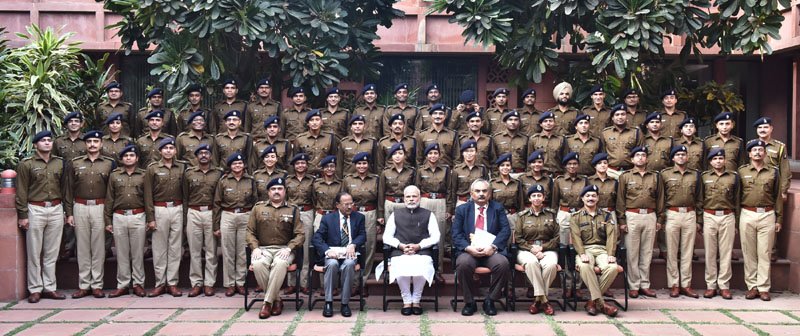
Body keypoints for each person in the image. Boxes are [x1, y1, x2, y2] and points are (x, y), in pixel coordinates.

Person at [16, 131, 68, 303]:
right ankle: (35, 289)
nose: (46, 143)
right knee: (34, 252)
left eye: (49, 140)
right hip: (35, 209)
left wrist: (66, 211)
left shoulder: (60, 163)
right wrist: (23, 215)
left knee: (51, 253)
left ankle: (50, 287)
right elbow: (22, 191)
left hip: (55, 208)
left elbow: (65, 189)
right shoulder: (26, 164)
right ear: (35, 144)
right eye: (43, 140)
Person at [65, 130, 115, 298]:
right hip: (80, 206)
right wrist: (69, 213)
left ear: (101, 144)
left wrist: (110, 214)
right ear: (85, 144)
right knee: (83, 247)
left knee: (99, 247)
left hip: (101, 207)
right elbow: (69, 189)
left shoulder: (109, 163)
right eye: (89, 141)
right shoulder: (75, 163)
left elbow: (112, 191)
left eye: (96, 141)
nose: (92, 144)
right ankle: (84, 284)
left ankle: (97, 285)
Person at [246, 177, 305, 319]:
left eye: (280, 189)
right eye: (273, 189)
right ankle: (276, 300)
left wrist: (289, 248)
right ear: (268, 192)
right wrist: (255, 248)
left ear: (285, 191)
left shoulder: (293, 209)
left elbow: (300, 234)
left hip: (284, 249)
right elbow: (249, 232)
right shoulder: (258, 208)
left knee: (280, 263)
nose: (276, 192)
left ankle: (267, 303)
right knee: (258, 264)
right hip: (263, 248)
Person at [452, 179, 511, 316]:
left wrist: (493, 246)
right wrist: (468, 248)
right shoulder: (462, 210)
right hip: (470, 251)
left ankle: (490, 300)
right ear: (471, 193)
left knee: (503, 264)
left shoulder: (497, 208)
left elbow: (505, 231)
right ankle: (469, 302)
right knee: (463, 263)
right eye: (477, 191)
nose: (481, 194)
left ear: (490, 193)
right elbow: (456, 234)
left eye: (484, 191)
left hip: (491, 251)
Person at [383, 185, 440, 315]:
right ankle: (407, 300)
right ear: (404, 198)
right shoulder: (395, 215)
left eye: (414, 196)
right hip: (400, 251)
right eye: (408, 196)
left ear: (419, 198)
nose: (411, 199)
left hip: (422, 251)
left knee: (422, 267)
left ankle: (416, 300)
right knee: (401, 268)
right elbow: (387, 237)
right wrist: (401, 246)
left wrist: (419, 246)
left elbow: (436, 236)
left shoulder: (428, 214)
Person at [738, 140, 782, 301]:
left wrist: (779, 218)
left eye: (760, 150)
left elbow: (777, 196)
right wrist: (737, 219)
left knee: (764, 252)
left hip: (767, 214)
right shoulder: (742, 172)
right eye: (754, 150)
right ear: (749, 154)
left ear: (765, 153)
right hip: (747, 213)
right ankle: (752, 286)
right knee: (749, 252)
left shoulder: (773, 172)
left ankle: (763, 287)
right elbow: (737, 196)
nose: (757, 152)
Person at [617, 146, 663, 298]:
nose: (641, 158)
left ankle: (645, 284)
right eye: (637, 155)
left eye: (643, 155)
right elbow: (621, 200)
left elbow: (660, 198)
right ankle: (634, 285)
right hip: (632, 215)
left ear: (647, 158)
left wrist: (660, 218)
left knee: (647, 252)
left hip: (650, 215)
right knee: (632, 252)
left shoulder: (655, 176)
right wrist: (622, 220)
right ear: (632, 159)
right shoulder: (625, 177)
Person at [143, 137, 187, 297]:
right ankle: (160, 283)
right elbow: (147, 194)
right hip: (159, 209)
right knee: (159, 248)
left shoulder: (182, 167)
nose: (168, 150)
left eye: (171, 148)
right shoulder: (152, 168)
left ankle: (172, 283)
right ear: (160, 151)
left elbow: (186, 193)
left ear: (175, 150)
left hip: (177, 208)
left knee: (175, 248)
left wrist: (185, 216)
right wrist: (150, 218)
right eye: (165, 148)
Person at [313, 192, 365, 317]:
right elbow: (317, 238)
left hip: (349, 254)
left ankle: (345, 303)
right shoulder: (328, 218)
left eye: (351, 203)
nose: (349, 207)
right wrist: (327, 251)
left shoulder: (359, 217)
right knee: (331, 264)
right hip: (333, 254)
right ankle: (328, 302)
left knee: (349, 264)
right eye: (346, 204)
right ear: (337, 205)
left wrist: (353, 244)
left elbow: (363, 235)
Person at [105, 145, 147, 298]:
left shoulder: (143, 175)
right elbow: (109, 198)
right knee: (122, 253)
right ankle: (122, 284)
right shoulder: (115, 176)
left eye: (132, 155)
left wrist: (149, 219)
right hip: (119, 216)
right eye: (126, 156)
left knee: (137, 253)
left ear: (137, 158)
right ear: (121, 159)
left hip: (138, 215)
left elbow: (147, 198)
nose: (129, 158)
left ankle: (138, 284)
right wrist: (108, 220)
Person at [660, 145, 702, 298]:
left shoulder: (695, 175)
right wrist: (662, 218)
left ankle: (686, 284)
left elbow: (699, 198)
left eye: (683, 154)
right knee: (671, 251)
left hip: (690, 213)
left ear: (687, 157)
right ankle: (674, 284)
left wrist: (699, 219)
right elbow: (661, 198)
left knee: (687, 251)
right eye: (677, 155)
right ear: (672, 158)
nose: (681, 157)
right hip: (672, 213)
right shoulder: (665, 174)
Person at [571, 185, 620, 317]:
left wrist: (610, 254)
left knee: (613, 268)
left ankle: (592, 301)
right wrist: (581, 254)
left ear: (598, 198)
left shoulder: (606, 216)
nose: (590, 198)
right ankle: (602, 304)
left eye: (593, 196)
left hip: (603, 250)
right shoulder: (575, 217)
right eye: (587, 196)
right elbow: (575, 238)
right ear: (582, 198)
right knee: (584, 266)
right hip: (585, 249)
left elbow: (611, 236)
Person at [213, 152, 256, 296]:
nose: (237, 166)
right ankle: (230, 284)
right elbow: (217, 203)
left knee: (242, 252)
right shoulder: (224, 181)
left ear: (244, 165)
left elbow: (255, 202)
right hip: (228, 215)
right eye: (234, 164)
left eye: (240, 163)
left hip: (245, 216)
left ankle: (240, 282)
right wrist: (216, 225)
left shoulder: (250, 180)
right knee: (228, 251)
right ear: (230, 166)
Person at [184, 144, 223, 297]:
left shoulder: (218, 173)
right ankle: (196, 283)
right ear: (196, 156)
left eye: (207, 153)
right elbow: (185, 195)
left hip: (211, 212)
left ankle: (209, 283)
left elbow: (219, 198)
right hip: (193, 211)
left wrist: (217, 220)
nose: (204, 155)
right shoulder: (188, 173)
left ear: (211, 156)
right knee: (194, 250)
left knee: (211, 250)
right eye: (200, 153)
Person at [699, 148, 738, 300]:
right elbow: (700, 199)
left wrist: (736, 221)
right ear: (710, 161)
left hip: (728, 216)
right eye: (715, 159)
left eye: (721, 159)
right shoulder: (704, 177)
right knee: (710, 252)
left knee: (726, 252)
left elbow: (737, 199)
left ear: (725, 160)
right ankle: (710, 285)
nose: (718, 161)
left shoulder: (733, 177)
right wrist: (700, 221)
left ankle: (724, 285)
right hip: (709, 215)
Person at [515, 184, 559, 315]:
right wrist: (531, 249)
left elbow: (557, 237)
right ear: (529, 199)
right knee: (531, 263)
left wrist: (543, 248)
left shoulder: (551, 215)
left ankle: (537, 300)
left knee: (551, 265)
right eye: (533, 196)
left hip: (547, 248)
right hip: (526, 249)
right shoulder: (522, 216)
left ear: (544, 197)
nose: (536, 198)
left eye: (539, 195)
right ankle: (544, 301)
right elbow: (518, 238)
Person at [342, 152, 381, 293]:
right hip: (352, 214)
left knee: (369, 247)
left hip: (370, 213)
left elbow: (380, 198)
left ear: (369, 164)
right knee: (352, 244)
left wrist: (379, 219)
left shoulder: (376, 179)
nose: (362, 166)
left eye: (364, 163)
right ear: (354, 165)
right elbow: (343, 199)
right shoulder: (347, 179)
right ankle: (352, 282)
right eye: (359, 163)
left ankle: (363, 282)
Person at [415, 143, 452, 283]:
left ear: (439, 155)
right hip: (424, 201)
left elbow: (449, 190)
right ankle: (423, 268)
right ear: (426, 155)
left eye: (435, 153)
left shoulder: (445, 170)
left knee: (439, 237)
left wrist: (449, 209)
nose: (433, 156)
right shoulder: (420, 170)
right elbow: (417, 189)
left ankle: (438, 269)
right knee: (422, 235)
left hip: (440, 202)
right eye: (430, 153)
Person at [54, 112, 86, 260]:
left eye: (76, 121)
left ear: (81, 124)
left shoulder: (87, 140)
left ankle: (81, 247)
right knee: (68, 210)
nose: (73, 123)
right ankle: (68, 247)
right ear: (66, 124)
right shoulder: (59, 142)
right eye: (70, 121)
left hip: (82, 180)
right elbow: (53, 160)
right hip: (62, 179)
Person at [285, 153, 316, 294]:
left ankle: (304, 283)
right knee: (290, 247)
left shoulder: (313, 181)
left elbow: (316, 199)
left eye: (303, 163)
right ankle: (291, 283)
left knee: (305, 248)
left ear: (307, 165)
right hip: (290, 213)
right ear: (294, 166)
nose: (301, 166)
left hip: (307, 212)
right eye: (298, 163)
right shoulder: (287, 180)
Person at [602, 104, 643, 179]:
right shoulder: (606, 133)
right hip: (611, 171)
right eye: (617, 115)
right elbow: (602, 153)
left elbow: (640, 152)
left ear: (627, 116)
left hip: (631, 170)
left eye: (623, 114)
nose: (620, 117)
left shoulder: (636, 132)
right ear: (612, 118)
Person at [379, 143, 416, 225]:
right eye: (394, 154)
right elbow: (381, 194)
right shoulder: (385, 172)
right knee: (390, 232)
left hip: (405, 204)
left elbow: (415, 191)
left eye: (400, 153)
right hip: (390, 205)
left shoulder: (411, 171)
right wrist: (380, 214)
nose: (397, 156)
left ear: (405, 155)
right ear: (391, 156)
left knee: (406, 230)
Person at [293, 109, 336, 177]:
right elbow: (296, 160)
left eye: (317, 120)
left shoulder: (330, 137)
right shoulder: (300, 139)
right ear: (308, 123)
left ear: (321, 122)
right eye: (311, 120)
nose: (314, 122)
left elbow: (334, 157)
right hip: (306, 176)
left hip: (325, 176)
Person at [416, 103, 458, 168]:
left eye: (441, 114)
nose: (438, 116)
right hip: (427, 173)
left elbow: (457, 158)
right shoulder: (422, 135)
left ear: (445, 116)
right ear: (431, 116)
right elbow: (419, 158)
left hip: (447, 172)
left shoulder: (452, 134)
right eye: (435, 113)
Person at [490, 153, 524, 225]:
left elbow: (521, 204)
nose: (505, 167)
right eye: (502, 165)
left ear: (511, 167)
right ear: (498, 167)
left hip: (513, 216)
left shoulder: (517, 183)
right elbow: (489, 203)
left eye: (508, 165)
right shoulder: (492, 183)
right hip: (497, 216)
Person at [493, 111, 529, 177]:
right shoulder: (497, 138)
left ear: (519, 122)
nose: (513, 122)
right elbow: (493, 158)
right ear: (505, 123)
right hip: (501, 174)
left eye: (516, 120)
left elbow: (528, 158)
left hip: (520, 174)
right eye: (510, 120)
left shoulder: (525, 138)